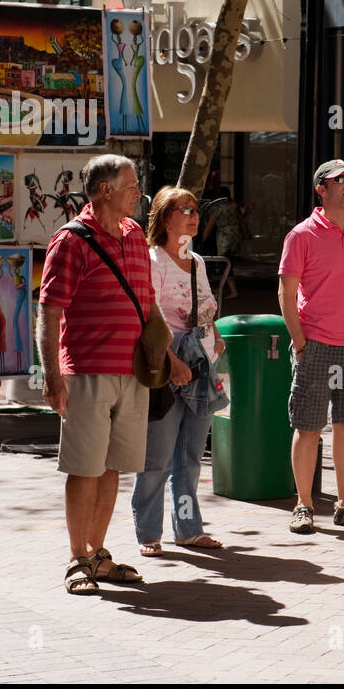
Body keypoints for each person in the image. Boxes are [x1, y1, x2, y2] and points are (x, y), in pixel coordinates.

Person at [38, 154, 169, 595]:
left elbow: (147, 303)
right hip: (87, 371)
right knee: (84, 467)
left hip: (133, 372)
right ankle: (77, 558)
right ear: (106, 190)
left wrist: (167, 351)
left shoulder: (134, 235)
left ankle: (97, 552)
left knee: (114, 466)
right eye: (132, 185)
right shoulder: (71, 240)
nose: (139, 192)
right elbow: (50, 311)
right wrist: (52, 376)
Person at [278, 159, 344, 535]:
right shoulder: (301, 235)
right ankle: (304, 505)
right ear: (320, 189)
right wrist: (300, 342)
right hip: (317, 344)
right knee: (308, 427)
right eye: (339, 180)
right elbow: (286, 293)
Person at [132, 186, 228, 556]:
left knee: (190, 456)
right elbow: (148, 317)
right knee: (157, 455)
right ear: (165, 217)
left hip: (202, 360)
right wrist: (171, 363)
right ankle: (148, 533)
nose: (193, 215)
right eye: (184, 209)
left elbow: (204, 307)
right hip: (167, 361)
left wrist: (216, 338)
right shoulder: (153, 259)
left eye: (196, 210)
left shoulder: (198, 262)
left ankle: (188, 529)